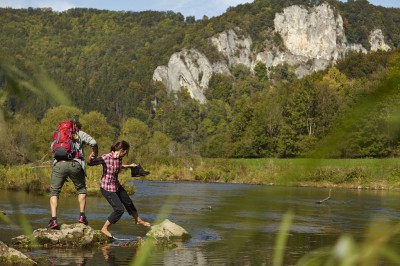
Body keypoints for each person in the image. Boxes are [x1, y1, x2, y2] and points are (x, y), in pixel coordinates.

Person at [88, 140, 150, 238]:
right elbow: (91, 163)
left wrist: (130, 166)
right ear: (122, 150)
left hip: (116, 185)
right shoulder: (106, 157)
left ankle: (138, 220)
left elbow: (119, 166)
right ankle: (104, 228)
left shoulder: (119, 158)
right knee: (119, 209)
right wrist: (91, 158)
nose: (126, 154)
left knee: (128, 202)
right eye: (126, 152)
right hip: (107, 187)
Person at [48, 115, 98, 229]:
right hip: (75, 164)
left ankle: (54, 220)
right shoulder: (79, 133)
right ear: (77, 126)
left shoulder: (59, 134)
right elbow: (93, 142)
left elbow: (52, 149)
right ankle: (81, 217)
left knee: (54, 192)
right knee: (81, 189)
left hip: (59, 165)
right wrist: (95, 152)